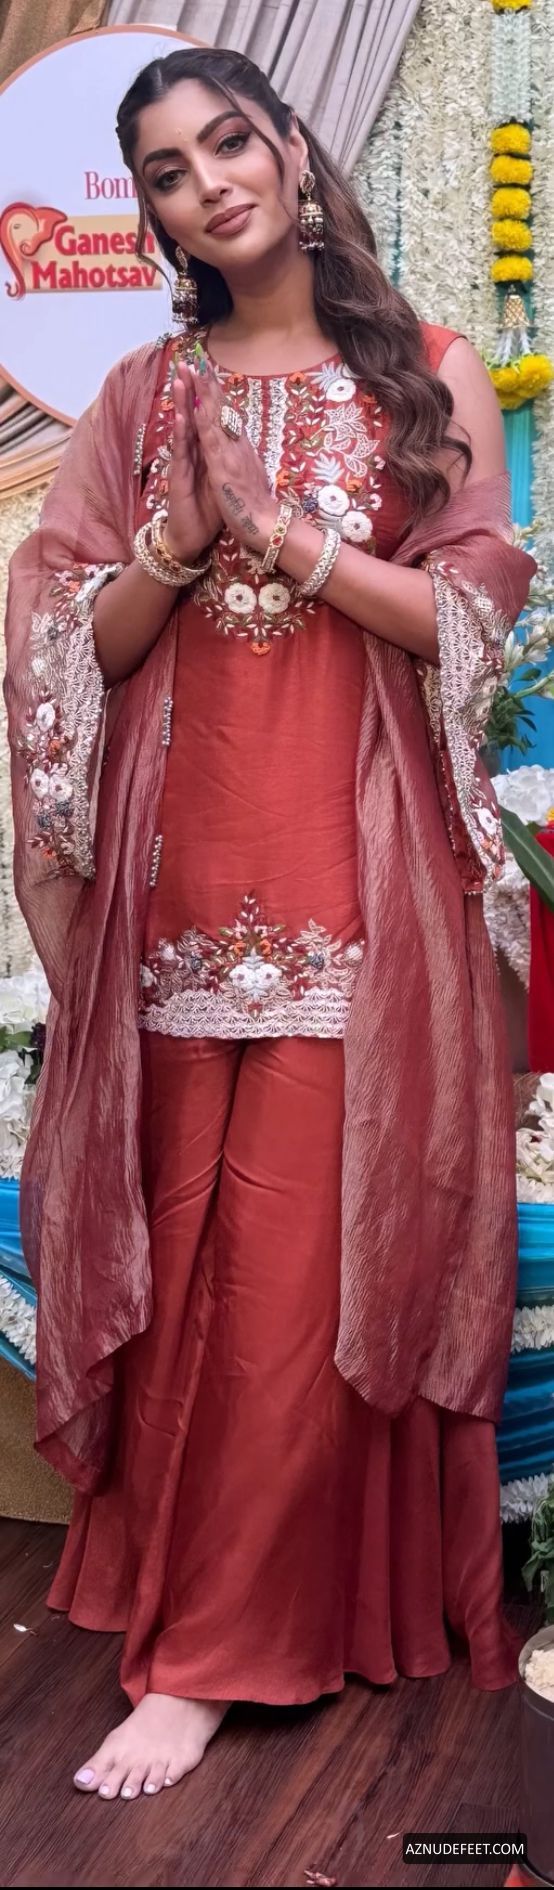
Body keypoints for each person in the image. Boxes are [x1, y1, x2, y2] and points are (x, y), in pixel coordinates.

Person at [4, 46, 534, 1804]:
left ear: (294, 148)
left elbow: (471, 630)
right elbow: (67, 651)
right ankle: (204, 1590)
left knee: (305, 1267)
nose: (208, 183)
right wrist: (172, 542)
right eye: (166, 169)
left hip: (354, 886)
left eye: (229, 141)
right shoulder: (141, 393)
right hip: (172, 889)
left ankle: (217, 1656)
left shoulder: (426, 372)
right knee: (184, 1270)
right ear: (152, 212)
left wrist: (290, 540)